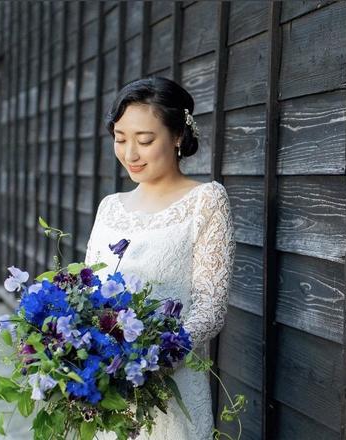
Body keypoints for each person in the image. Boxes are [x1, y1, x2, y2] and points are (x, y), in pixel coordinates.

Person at [85, 76, 236, 439]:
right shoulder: (110, 207)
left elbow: (210, 307)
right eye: (120, 140)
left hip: (171, 391)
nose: (130, 154)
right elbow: (88, 290)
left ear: (178, 137)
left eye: (145, 140)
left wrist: (150, 360)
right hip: (107, 392)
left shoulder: (206, 201)